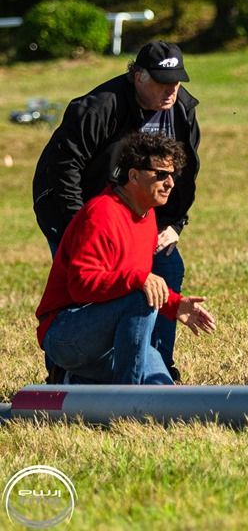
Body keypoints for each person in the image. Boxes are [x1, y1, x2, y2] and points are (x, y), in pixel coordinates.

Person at [32, 40, 200, 381]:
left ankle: (154, 362)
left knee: (166, 266)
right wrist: (82, 223)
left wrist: (175, 224)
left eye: (176, 82)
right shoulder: (99, 108)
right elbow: (65, 168)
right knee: (102, 288)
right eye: (161, 81)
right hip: (78, 209)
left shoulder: (180, 109)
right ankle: (65, 373)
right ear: (138, 77)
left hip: (136, 210)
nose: (171, 90)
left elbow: (183, 172)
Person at [36, 133, 215, 385]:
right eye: (161, 174)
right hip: (65, 333)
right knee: (141, 300)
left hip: (106, 336)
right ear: (133, 176)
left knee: (160, 387)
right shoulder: (101, 214)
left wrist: (175, 305)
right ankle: (126, 400)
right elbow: (81, 285)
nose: (170, 183)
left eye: (172, 175)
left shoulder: (147, 215)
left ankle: (72, 381)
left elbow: (132, 282)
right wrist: (138, 281)